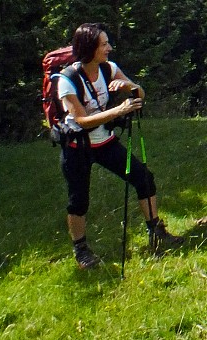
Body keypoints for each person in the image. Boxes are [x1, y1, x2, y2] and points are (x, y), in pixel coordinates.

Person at [55, 22, 183, 269]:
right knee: (78, 200)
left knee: (143, 177)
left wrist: (129, 87)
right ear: (89, 48)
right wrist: (118, 110)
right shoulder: (67, 80)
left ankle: (156, 231)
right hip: (77, 148)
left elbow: (140, 94)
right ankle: (81, 251)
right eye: (104, 44)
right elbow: (80, 120)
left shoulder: (109, 69)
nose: (109, 48)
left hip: (105, 142)